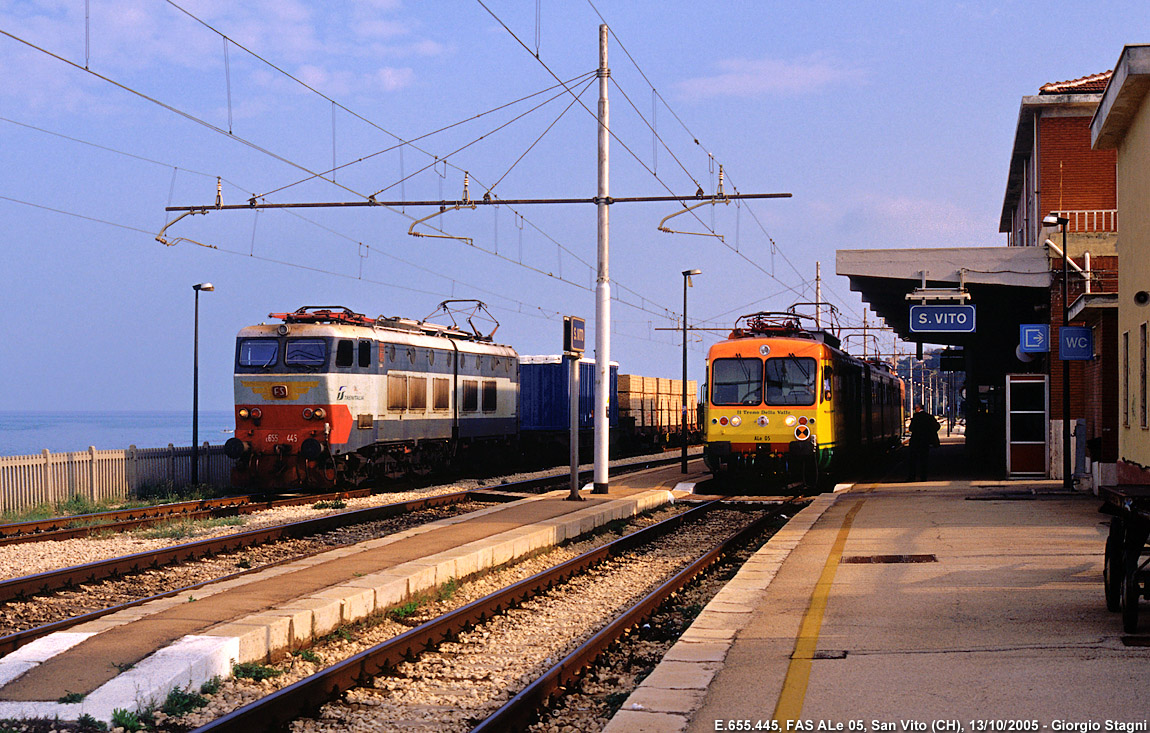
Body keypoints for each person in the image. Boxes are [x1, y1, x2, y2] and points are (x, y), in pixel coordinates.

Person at [907, 403, 940, 481]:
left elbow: (911, 428)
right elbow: (937, 426)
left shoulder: (916, 417)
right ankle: (923, 477)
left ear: (918, 408)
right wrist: (930, 432)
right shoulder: (929, 417)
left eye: (915, 408)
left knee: (913, 460)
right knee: (924, 459)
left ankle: (912, 477)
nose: (915, 410)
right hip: (925, 441)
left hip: (915, 441)